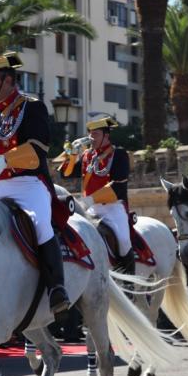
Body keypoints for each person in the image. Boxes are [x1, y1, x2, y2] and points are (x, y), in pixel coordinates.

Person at [0, 52, 70, 316]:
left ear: (8, 80)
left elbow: (38, 150)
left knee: (40, 225)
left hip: (29, 184)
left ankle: (57, 289)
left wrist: (4, 160)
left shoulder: (32, 106)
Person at [59, 116, 134, 277]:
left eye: (96, 134)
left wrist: (90, 199)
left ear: (106, 136)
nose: (91, 138)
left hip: (112, 208)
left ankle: (130, 281)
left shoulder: (118, 154)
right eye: (90, 134)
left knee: (123, 241)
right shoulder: (87, 156)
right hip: (90, 208)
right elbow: (65, 174)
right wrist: (71, 156)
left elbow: (118, 186)